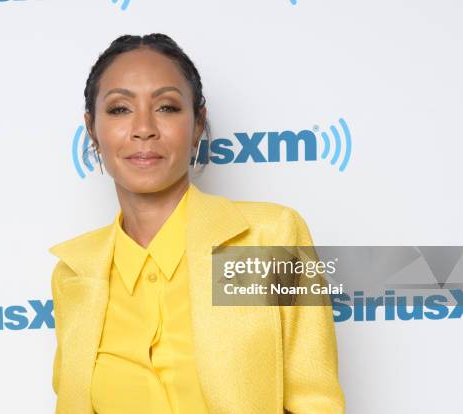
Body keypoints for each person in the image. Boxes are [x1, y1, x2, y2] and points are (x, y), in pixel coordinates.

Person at [48, 33, 345, 414]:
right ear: (92, 129)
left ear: (198, 124)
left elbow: (316, 403)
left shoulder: (266, 240)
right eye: (120, 109)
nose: (143, 128)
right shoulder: (74, 273)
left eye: (167, 107)